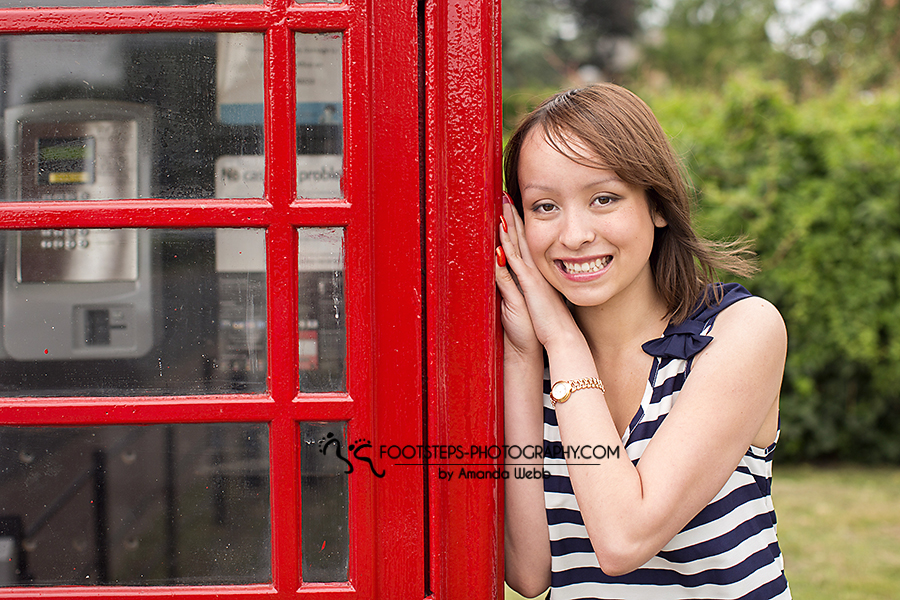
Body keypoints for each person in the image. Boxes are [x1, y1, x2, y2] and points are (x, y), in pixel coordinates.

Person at [496, 84, 791, 600]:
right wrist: (524, 354)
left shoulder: (740, 331)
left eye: (603, 199)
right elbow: (528, 571)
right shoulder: (537, 358)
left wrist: (563, 340)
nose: (574, 234)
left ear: (657, 203)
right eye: (544, 207)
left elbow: (623, 537)